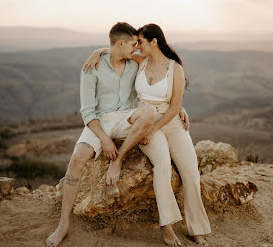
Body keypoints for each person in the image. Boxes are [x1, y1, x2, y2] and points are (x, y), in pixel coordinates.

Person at [45, 22, 188, 247]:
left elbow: (154, 88)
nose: (137, 48)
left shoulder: (133, 63)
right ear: (121, 43)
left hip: (126, 117)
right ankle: (63, 225)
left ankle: (118, 160)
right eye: (133, 44)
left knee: (149, 112)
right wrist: (104, 139)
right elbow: (87, 112)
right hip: (99, 122)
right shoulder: (91, 67)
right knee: (76, 160)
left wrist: (176, 106)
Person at [84, 23, 211, 246]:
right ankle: (167, 226)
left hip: (169, 122)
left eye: (141, 42)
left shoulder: (175, 69)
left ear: (154, 42)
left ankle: (196, 228)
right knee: (161, 165)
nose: (137, 46)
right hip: (146, 120)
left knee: (191, 172)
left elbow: (173, 107)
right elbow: (117, 49)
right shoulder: (140, 61)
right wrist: (97, 52)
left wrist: (161, 123)